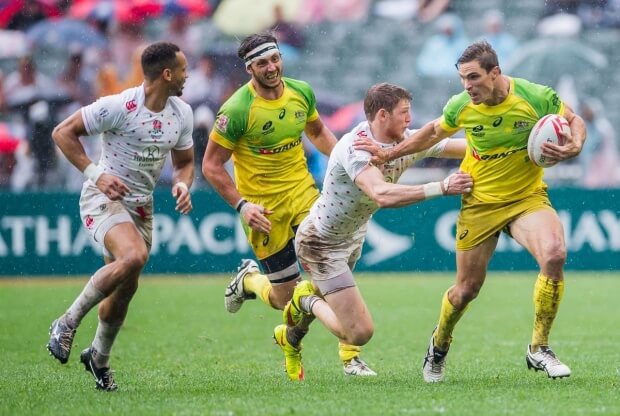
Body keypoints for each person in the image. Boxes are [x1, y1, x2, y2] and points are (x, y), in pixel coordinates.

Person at [355, 41, 586, 382]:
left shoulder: (535, 96)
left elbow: (573, 120)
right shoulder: (461, 105)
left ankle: (539, 348)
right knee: (465, 291)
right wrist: (389, 154)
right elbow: (433, 132)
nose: (467, 86)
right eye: (463, 78)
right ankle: (439, 344)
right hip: (479, 202)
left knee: (554, 255)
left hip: (526, 198)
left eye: (474, 77)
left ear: (495, 72)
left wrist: (575, 143)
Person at [201, 32, 373, 380]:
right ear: (249, 68)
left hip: (304, 195)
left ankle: (350, 355)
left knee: (332, 266)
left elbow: (319, 132)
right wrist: (242, 206)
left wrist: (350, 161)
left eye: (275, 58)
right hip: (263, 210)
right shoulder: (236, 109)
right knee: (284, 298)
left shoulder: (301, 92)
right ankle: (249, 280)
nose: (272, 67)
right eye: (262, 62)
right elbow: (211, 165)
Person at [278, 83, 472, 379]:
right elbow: (381, 194)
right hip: (321, 243)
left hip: (352, 237)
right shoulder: (356, 147)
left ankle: (290, 338)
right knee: (358, 333)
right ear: (383, 115)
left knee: (318, 315)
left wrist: (506, 144)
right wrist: (442, 187)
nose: (410, 119)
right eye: (404, 113)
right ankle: (304, 298)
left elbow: (458, 147)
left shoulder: (403, 141)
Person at [46, 42, 195, 391]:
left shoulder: (182, 113)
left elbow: (185, 163)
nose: (188, 75)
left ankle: (98, 358)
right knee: (134, 256)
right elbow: (61, 133)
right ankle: (66, 322)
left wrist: (183, 185)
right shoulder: (119, 106)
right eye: (184, 69)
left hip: (141, 206)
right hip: (103, 196)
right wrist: (96, 174)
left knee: (125, 290)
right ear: (167, 74)